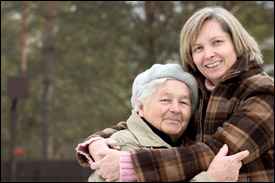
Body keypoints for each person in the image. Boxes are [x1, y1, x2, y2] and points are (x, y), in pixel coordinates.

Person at [76, 6, 274, 182]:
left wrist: (130, 165)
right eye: (198, 48)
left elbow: (217, 151)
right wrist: (98, 142)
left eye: (217, 42)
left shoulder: (264, 92)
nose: (208, 54)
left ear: (236, 43)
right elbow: (145, 122)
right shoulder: (197, 91)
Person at [84, 63, 249, 182]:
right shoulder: (121, 148)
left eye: (184, 103)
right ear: (140, 106)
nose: (176, 109)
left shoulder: (187, 145)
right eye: (165, 100)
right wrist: (211, 179)